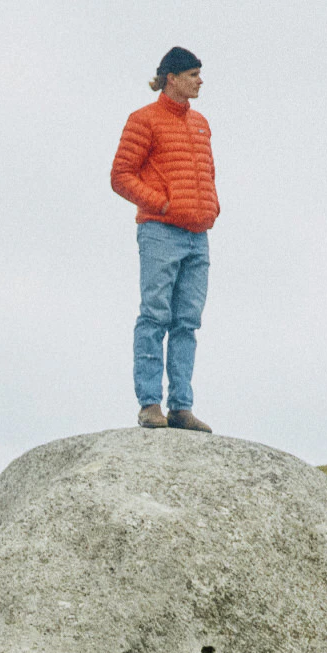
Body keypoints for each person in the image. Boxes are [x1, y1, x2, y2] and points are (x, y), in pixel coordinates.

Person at [110, 45, 219, 434]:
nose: (200, 80)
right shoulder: (144, 120)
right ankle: (149, 405)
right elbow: (121, 175)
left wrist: (212, 208)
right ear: (171, 78)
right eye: (193, 74)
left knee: (187, 322)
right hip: (159, 232)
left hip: (198, 236)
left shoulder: (201, 124)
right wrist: (162, 204)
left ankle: (181, 407)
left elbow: (207, 173)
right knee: (155, 316)